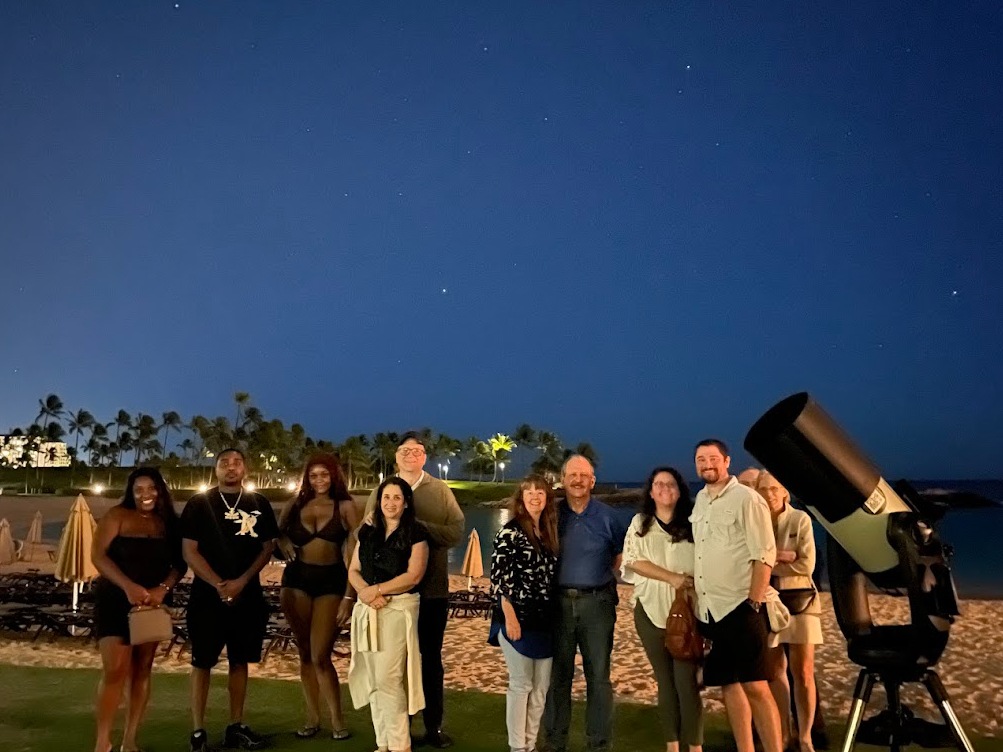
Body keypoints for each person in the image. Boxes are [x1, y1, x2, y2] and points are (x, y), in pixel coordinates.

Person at [363, 432, 464, 748]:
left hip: (431, 591)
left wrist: (416, 527)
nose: (410, 455)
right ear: (396, 456)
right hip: (390, 596)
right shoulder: (383, 490)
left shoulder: (440, 490)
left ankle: (433, 726)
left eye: (417, 450)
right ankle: (399, 727)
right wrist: (365, 588)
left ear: (424, 456)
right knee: (395, 664)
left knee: (430, 659)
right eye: (405, 450)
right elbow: (365, 537)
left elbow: (456, 531)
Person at [181, 448, 279, 752]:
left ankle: (236, 726)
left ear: (245, 469)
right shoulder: (199, 504)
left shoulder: (259, 503)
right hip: (206, 597)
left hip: (248, 597)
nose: (231, 467)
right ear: (216, 469)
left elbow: (267, 547)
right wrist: (218, 584)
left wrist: (242, 582)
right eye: (224, 463)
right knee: (202, 662)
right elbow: (189, 550)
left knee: (240, 661)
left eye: (237, 462)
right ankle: (198, 731)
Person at [690, 439, 782, 752]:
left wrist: (753, 603)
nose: (707, 464)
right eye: (701, 459)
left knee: (756, 686)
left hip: (741, 607)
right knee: (728, 685)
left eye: (713, 458)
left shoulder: (747, 499)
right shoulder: (701, 501)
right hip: (711, 611)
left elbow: (764, 554)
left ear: (727, 461)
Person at [91, 467, 186, 752]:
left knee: (142, 669)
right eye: (139, 489)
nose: (146, 494)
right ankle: (103, 742)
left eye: (151, 488)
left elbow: (179, 565)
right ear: (131, 492)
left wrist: (162, 589)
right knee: (115, 669)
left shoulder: (169, 523)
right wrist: (127, 586)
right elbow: (98, 557)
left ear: (160, 490)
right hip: (115, 599)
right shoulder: (116, 516)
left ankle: (130, 740)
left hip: (153, 602)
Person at [542, 455, 628, 752]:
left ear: (592, 480)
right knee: (558, 677)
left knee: (599, 677)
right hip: (557, 604)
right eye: (572, 475)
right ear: (563, 479)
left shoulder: (609, 517)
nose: (578, 480)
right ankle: (555, 742)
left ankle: (598, 744)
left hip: (597, 604)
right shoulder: (551, 515)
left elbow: (620, 556)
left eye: (584, 475)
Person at [277, 453, 360, 741]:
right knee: (304, 653)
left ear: (334, 476)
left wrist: (350, 596)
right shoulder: (295, 504)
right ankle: (312, 718)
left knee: (320, 655)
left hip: (331, 583)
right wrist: (284, 540)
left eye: (324, 474)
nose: (319, 480)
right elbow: (275, 533)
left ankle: (337, 719)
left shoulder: (346, 506)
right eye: (313, 476)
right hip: (295, 582)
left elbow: (357, 553)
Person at [621, 466, 703, 752]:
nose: (665, 489)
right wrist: (672, 577)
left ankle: (695, 745)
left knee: (687, 683)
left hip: (688, 614)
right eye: (659, 484)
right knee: (665, 683)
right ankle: (672, 744)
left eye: (671, 484)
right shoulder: (640, 523)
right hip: (649, 610)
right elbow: (632, 560)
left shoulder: (694, 524)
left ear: (679, 491)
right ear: (651, 491)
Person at [348, 477, 429, 752]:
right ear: (379, 501)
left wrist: (378, 590)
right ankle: (382, 743)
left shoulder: (416, 533)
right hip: (368, 608)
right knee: (373, 678)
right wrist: (365, 592)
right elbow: (353, 569)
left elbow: (414, 575)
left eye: (397, 497)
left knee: (388, 679)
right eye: (386, 497)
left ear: (406, 503)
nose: (391, 503)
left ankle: (399, 745)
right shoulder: (368, 531)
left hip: (397, 610)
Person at [488, 475, 560, 752]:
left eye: (540, 492)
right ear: (521, 498)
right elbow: (499, 580)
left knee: (540, 689)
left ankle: (530, 744)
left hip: (545, 620)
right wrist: (510, 618)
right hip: (516, 619)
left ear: (547, 497)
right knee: (521, 685)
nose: (534, 496)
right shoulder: (510, 532)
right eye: (528, 492)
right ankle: (518, 747)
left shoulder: (549, 533)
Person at [756, 471, 823, 752]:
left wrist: (767, 565)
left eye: (774, 488)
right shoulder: (756, 522)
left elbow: (806, 566)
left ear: (785, 491)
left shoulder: (800, 519)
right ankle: (783, 732)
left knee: (804, 671)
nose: (769, 494)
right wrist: (784, 556)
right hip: (770, 602)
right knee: (775, 671)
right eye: (763, 489)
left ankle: (805, 736)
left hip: (801, 601)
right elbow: (749, 562)